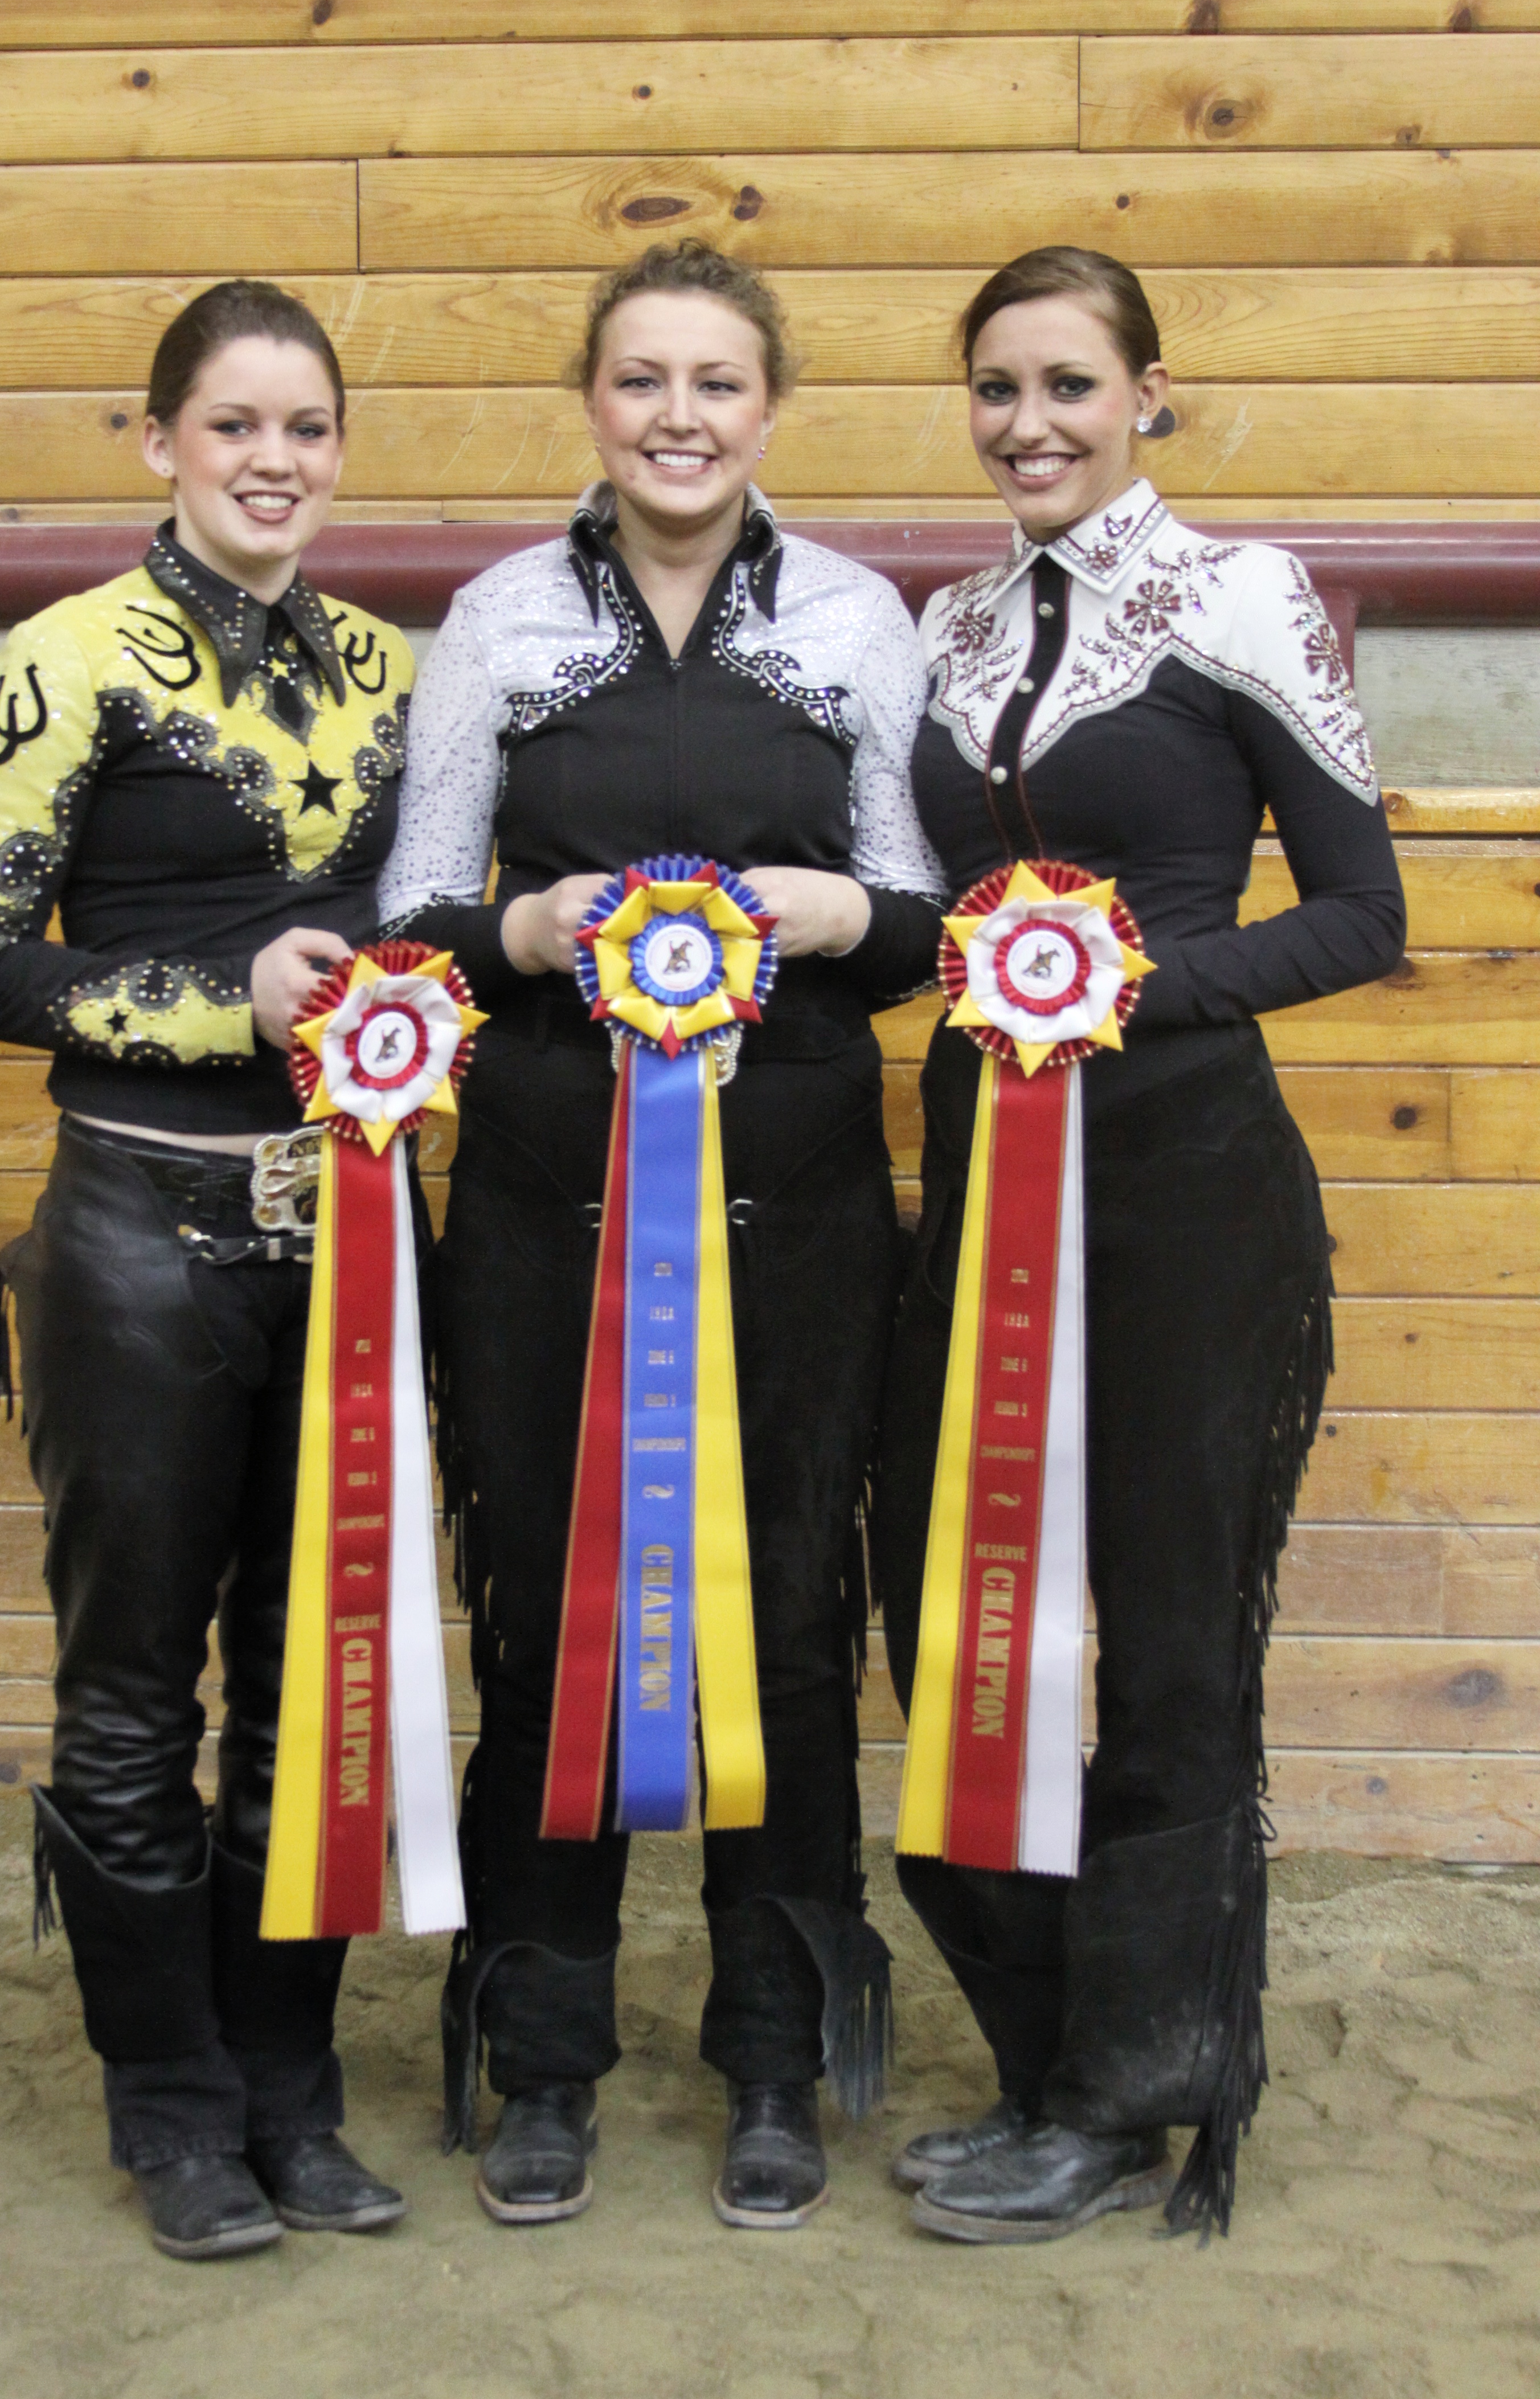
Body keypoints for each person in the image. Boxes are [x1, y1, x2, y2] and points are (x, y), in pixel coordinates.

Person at [378, 239, 944, 2229]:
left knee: (783, 1613)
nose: (679, 416)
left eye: (716, 381)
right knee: (548, 1613)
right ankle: (543, 2060)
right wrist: (519, 936)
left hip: (793, 1199)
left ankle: (777, 2060)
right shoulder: (501, 618)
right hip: (547, 1195)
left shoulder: (867, 623)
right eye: (641, 380)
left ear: (769, 405)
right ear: (592, 405)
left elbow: (932, 922)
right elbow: (420, 902)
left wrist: (838, 921)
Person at [873, 245, 1406, 2243]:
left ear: (1148, 397)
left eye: (1070, 387)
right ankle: (1046, 2050)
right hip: (979, 1183)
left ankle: (1132, 2095)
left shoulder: (1243, 596)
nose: (1030, 424)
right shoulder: (945, 627)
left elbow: (1361, 913)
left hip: (1184, 1185)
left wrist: (1126, 987)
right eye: (997, 388)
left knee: (1171, 1642)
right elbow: (931, 924)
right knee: (958, 1615)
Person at [0, 281, 417, 2260]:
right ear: (160, 445)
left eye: (306, 427)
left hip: (355, 1232)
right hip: (137, 1233)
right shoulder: (62, 665)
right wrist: (233, 1001)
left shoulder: (402, 668)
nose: (274, 461)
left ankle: (291, 2091)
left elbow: (442, 914)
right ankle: (176, 2107)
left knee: (317, 1687)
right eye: (235, 427)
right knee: (134, 1690)